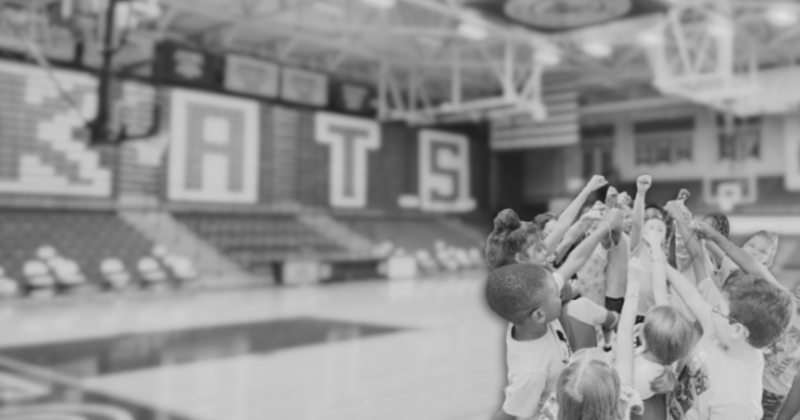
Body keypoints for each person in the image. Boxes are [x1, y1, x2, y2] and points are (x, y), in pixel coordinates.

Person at [664, 256, 794, 420]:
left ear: (738, 330)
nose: (712, 310)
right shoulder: (723, 332)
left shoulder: (740, 405)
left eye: (718, 309)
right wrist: (659, 258)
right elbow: (691, 297)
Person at [538, 257, 647, 420]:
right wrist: (634, 282)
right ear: (613, 388)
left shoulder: (553, 411)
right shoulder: (623, 404)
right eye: (608, 362)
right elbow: (624, 331)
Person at [486, 263, 574, 420]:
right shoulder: (531, 372)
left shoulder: (526, 317)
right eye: (556, 294)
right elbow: (507, 415)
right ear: (539, 315)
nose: (560, 294)